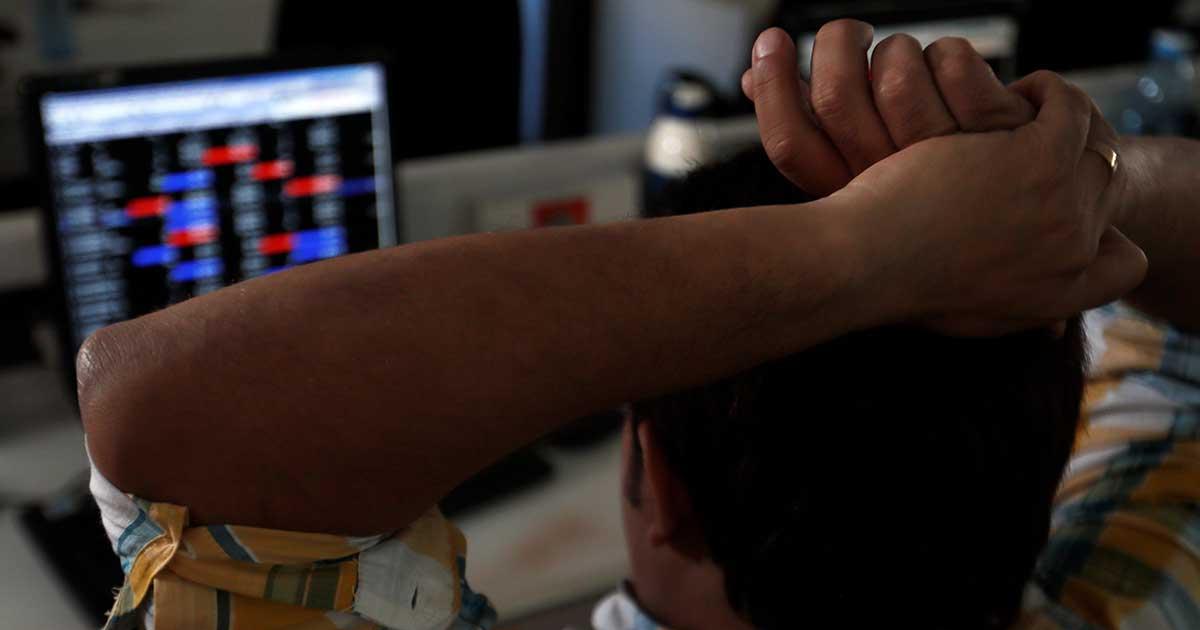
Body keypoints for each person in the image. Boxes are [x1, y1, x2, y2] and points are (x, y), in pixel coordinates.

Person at [75, 21, 1194, 630]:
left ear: (661, 484)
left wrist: (869, 251)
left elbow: (159, 405)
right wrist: (1059, 178)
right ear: (1059, 446)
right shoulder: (1132, 586)